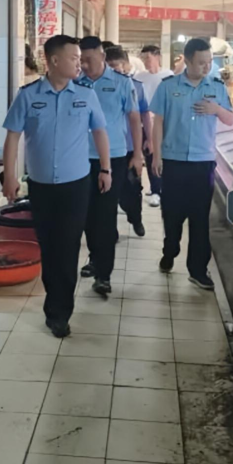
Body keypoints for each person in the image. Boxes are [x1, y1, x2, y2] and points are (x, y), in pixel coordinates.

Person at [2, 35, 111, 337]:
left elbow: (100, 131)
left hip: (76, 185)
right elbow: (12, 136)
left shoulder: (86, 95)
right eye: (74, 58)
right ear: (53, 60)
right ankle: (55, 299)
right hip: (41, 186)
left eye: (80, 58)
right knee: (49, 246)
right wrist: (10, 176)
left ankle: (60, 312)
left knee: (68, 245)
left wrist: (105, 168)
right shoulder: (28, 95)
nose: (80, 63)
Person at [149, 37, 233, 290]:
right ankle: (170, 250)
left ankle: (197, 270)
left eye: (209, 62)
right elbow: (158, 122)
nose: (206, 67)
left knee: (200, 219)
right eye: (201, 63)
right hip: (173, 161)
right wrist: (156, 155)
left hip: (202, 162)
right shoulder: (168, 87)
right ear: (186, 61)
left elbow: (230, 119)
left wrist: (216, 109)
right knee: (172, 214)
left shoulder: (217, 87)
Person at [76, 37, 143, 296]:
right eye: (80, 60)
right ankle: (95, 258)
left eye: (89, 60)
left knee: (105, 215)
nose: (84, 65)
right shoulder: (74, 82)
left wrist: (137, 154)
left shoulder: (121, 83)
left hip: (113, 158)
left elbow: (134, 119)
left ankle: (103, 274)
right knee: (86, 214)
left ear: (102, 56)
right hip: (79, 158)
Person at [106, 46, 150, 237]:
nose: (112, 70)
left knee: (131, 189)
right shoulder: (98, 87)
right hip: (106, 149)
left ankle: (135, 218)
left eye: (115, 66)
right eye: (108, 66)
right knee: (108, 193)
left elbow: (144, 115)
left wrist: (147, 143)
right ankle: (111, 230)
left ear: (125, 65)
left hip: (130, 147)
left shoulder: (136, 86)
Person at [135, 45, 173, 208]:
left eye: (148, 58)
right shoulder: (139, 77)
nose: (145, 62)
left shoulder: (169, 76)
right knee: (150, 155)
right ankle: (155, 190)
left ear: (158, 56)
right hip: (144, 122)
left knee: (164, 156)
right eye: (143, 58)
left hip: (164, 122)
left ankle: (165, 189)